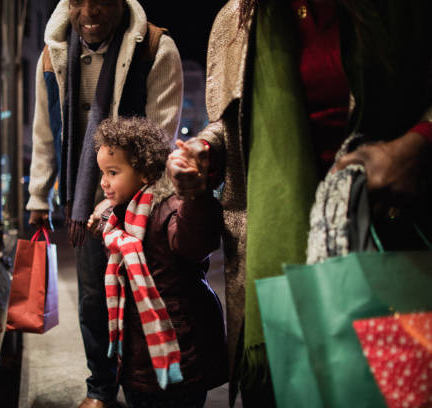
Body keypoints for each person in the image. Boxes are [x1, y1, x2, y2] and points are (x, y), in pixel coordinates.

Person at [167, 1, 432, 406]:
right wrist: (205, 150)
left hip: (386, 236)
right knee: (282, 388)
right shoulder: (237, 19)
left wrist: (418, 145)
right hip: (277, 251)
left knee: (385, 389)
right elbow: (233, 123)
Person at [26, 1, 183, 407]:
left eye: (101, 0)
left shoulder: (155, 47)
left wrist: (125, 202)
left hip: (141, 203)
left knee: (144, 296)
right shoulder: (53, 54)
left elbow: (160, 137)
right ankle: (100, 389)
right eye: (79, 1)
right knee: (95, 299)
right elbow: (46, 133)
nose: (90, 11)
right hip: (84, 204)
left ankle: (148, 388)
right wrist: (38, 195)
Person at [87, 117, 229, 408]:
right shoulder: (117, 217)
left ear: (144, 173)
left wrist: (194, 194)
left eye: (112, 172)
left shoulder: (172, 208)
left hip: (180, 349)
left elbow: (195, 241)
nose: (103, 181)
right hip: (135, 355)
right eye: (102, 172)